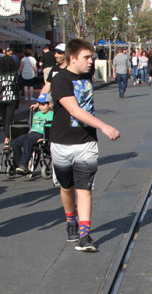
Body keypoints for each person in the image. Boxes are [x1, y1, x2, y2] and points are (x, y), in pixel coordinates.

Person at [49, 38, 120, 252]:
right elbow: (75, 110)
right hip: (62, 142)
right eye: (86, 57)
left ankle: (84, 234)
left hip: (86, 141)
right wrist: (104, 126)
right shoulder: (60, 80)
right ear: (72, 59)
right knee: (66, 187)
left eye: (92, 57)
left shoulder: (87, 76)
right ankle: (71, 219)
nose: (91, 61)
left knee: (84, 188)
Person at [13, 95, 53, 174]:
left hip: (42, 134)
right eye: (39, 104)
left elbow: (53, 129)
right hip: (32, 133)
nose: (41, 107)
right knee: (15, 142)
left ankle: (23, 165)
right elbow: (33, 126)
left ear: (50, 104)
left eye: (43, 104)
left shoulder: (52, 114)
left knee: (28, 141)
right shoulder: (37, 114)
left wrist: (46, 138)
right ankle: (19, 164)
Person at [0, 55, 21, 160]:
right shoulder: (14, 74)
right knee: (9, 118)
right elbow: (18, 85)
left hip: (0, 98)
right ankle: (8, 137)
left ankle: (7, 136)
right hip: (12, 98)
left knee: (4, 118)